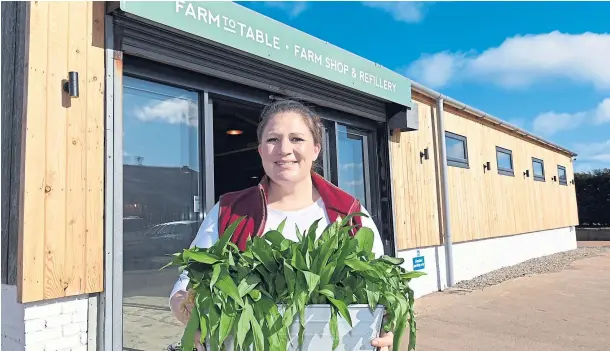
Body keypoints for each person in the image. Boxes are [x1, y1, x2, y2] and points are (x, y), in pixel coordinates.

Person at [169, 99, 395, 350]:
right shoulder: (229, 211)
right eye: (273, 139)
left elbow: (382, 292)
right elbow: (186, 285)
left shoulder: (349, 213)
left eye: (296, 139)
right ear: (261, 151)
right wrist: (193, 320)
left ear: (316, 149)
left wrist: (386, 331)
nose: (284, 149)